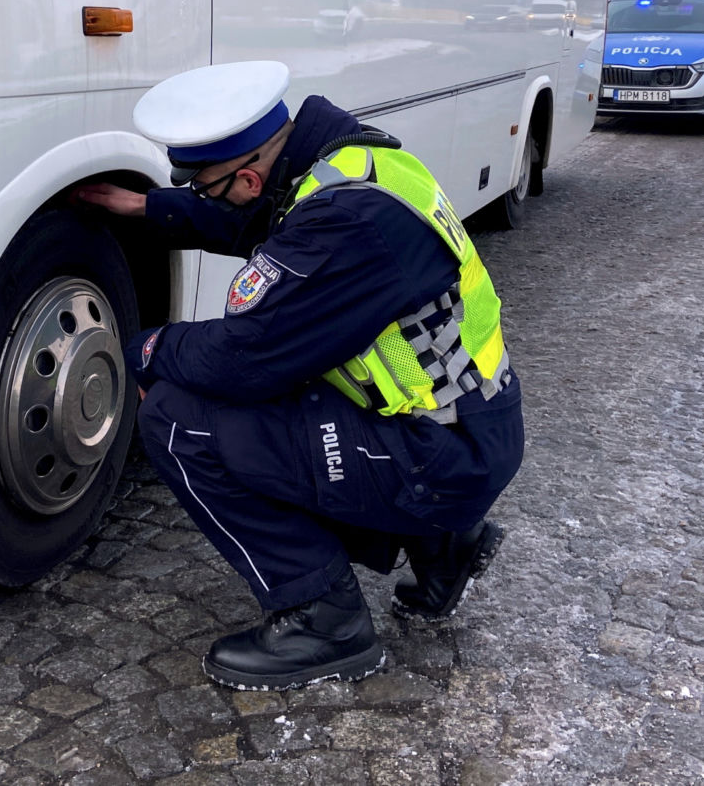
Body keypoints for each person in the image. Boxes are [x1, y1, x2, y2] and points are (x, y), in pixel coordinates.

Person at [75, 61, 525, 692]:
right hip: (464, 426)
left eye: (205, 186)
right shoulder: (356, 166)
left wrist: (146, 348)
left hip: (439, 457)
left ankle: (326, 620)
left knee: (177, 418)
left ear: (252, 173)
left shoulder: (343, 226)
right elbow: (257, 219)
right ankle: (444, 546)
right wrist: (153, 207)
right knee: (269, 391)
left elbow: (241, 358)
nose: (206, 196)